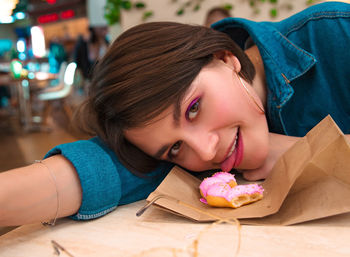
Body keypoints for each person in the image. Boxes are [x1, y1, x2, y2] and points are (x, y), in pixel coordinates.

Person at [1, 1, 350, 226]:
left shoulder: (335, 34)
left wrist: (309, 152)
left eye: (194, 108)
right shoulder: (192, 156)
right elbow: (94, 172)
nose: (206, 150)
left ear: (224, 58)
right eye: (174, 149)